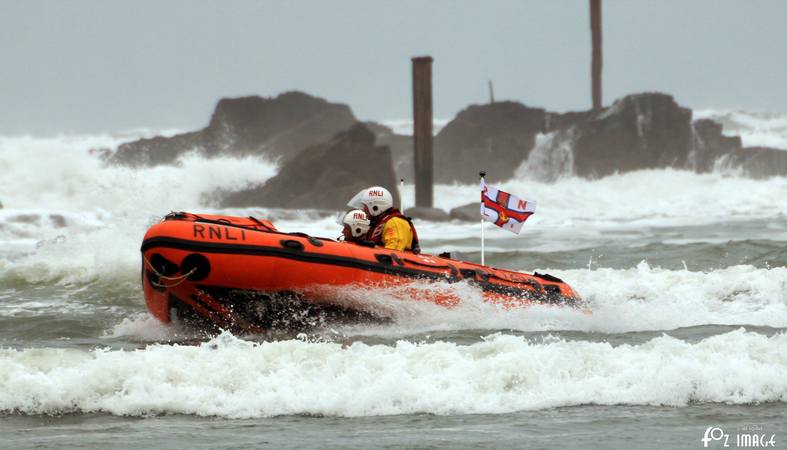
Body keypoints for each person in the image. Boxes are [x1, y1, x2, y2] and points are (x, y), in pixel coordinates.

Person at [347, 186, 420, 253]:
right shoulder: (377, 223)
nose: (363, 209)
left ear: (375, 207)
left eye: (365, 206)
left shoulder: (394, 222)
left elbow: (394, 252)